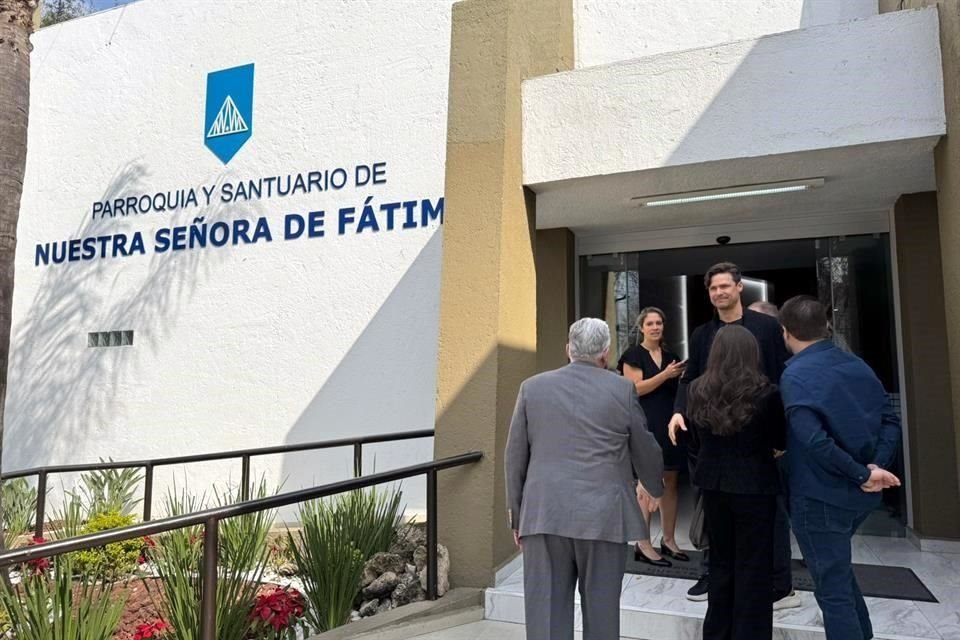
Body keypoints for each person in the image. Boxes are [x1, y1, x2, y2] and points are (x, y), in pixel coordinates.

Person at [505, 318, 665, 640]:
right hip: (603, 519)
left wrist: (516, 516)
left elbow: (514, 456)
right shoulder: (622, 389)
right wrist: (654, 487)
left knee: (545, 617)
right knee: (603, 615)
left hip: (544, 515)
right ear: (605, 354)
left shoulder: (532, 388)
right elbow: (645, 448)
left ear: (568, 349)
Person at [667, 262, 792, 605]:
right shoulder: (702, 335)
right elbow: (690, 379)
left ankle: (779, 584)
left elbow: (783, 378)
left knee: (770, 520)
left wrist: (781, 435)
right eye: (713, 288)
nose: (719, 292)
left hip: (760, 446)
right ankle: (713, 576)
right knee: (715, 520)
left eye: (725, 286)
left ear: (739, 287)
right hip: (716, 445)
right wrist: (678, 412)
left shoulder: (767, 328)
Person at [779, 296, 901, 640]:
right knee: (838, 575)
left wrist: (864, 473)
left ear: (785, 332)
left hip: (820, 498)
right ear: (826, 327)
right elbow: (890, 420)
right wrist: (873, 466)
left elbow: (813, 442)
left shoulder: (795, 376)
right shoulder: (857, 365)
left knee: (832, 591)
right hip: (858, 497)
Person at [687, 325, 786, 640]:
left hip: (714, 485)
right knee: (754, 567)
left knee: (721, 562)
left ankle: (717, 633)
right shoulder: (767, 393)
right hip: (755, 486)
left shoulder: (698, 389)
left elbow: (694, 440)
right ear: (751, 353)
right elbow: (780, 440)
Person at [618, 307, 689, 566]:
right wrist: (665, 375)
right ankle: (642, 543)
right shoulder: (633, 355)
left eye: (659, 322)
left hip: (669, 425)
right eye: (650, 323)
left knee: (671, 481)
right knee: (646, 484)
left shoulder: (671, 356)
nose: (656, 327)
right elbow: (634, 389)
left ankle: (668, 540)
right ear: (642, 327)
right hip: (644, 424)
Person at [747, 299, 803, 610]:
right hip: (762, 453)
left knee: (777, 518)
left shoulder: (785, 365)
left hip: (780, 454)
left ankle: (781, 586)